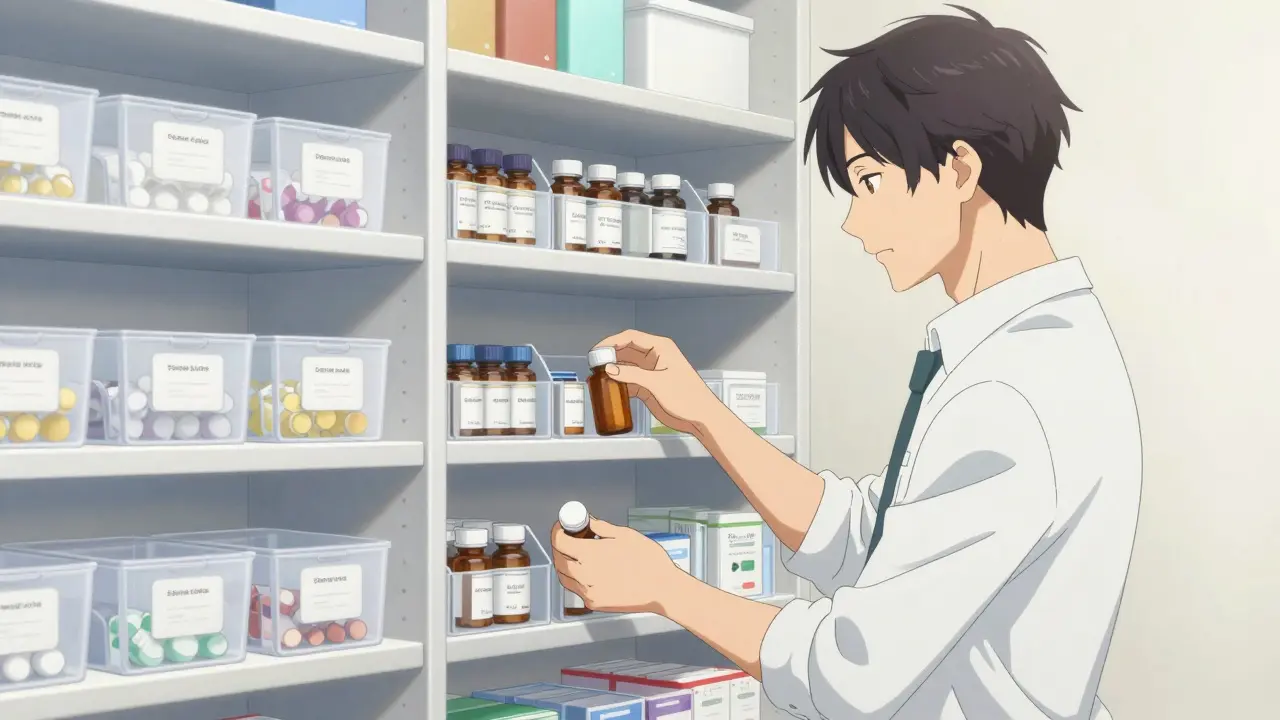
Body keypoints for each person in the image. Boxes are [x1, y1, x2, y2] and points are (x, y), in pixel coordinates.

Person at [550, 6, 1141, 720]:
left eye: (867, 181)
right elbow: (880, 540)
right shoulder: (1038, 345)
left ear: (958, 168)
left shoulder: (1010, 388)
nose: (855, 222)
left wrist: (666, 587)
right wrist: (705, 416)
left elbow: (852, 671)